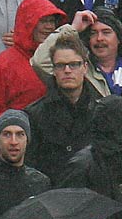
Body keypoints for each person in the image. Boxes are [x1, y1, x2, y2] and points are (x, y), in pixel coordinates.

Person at [24, 32, 106, 175]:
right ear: (54, 70)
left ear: (85, 67)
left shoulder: (103, 110)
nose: (67, 71)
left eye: (74, 64)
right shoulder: (34, 114)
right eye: (61, 65)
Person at [0, 0, 65, 120]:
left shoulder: (63, 58)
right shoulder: (5, 62)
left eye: (52, 21)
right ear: (28, 23)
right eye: (43, 21)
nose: (49, 26)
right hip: (18, 134)